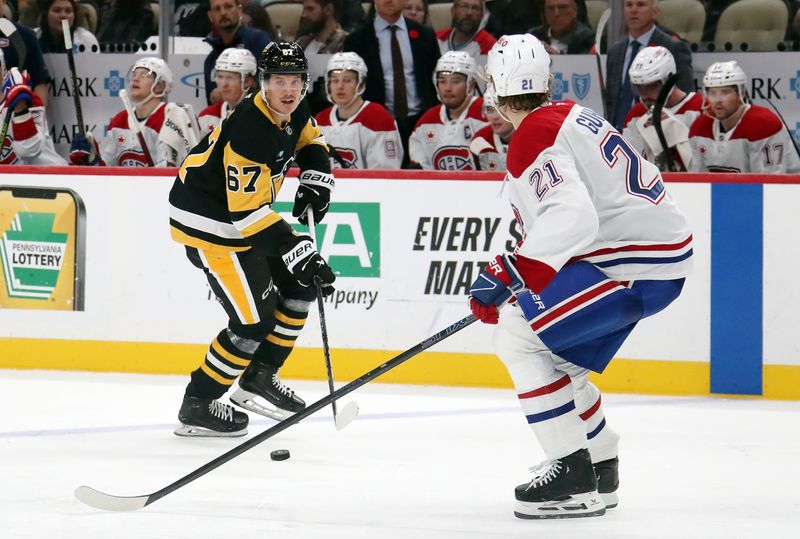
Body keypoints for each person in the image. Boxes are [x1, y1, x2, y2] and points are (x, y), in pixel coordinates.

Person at [470, 34, 692, 519]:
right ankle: (601, 461)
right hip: (651, 260)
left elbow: (573, 217)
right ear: (547, 80)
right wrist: (515, 276)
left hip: (634, 267)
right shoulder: (569, 115)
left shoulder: (532, 132)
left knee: (518, 338)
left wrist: (512, 270)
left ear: (493, 84)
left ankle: (572, 475)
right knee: (552, 348)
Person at [168, 42, 336, 436]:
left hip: (245, 218)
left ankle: (259, 377)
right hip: (212, 226)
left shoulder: (294, 108)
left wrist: (316, 177)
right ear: (263, 83)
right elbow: (245, 215)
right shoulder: (249, 130)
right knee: (251, 323)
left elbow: (311, 141)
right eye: (279, 81)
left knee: (299, 283)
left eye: (295, 81)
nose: (288, 90)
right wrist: (297, 249)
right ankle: (198, 402)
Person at [343, 0, 440, 163]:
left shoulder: (424, 34)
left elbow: (435, 82)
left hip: (420, 122)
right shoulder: (357, 40)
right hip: (376, 125)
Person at [69, 57, 199, 167]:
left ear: (160, 86)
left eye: (144, 75)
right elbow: (108, 170)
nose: (135, 79)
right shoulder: (119, 120)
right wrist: (92, 160)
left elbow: (167, 172)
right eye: (134, 75)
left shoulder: (171, 115)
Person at [688, 61, 800, 174]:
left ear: (741, 93)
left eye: (725, 92)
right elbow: (698, 182)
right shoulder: (699, 128)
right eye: (712, 93)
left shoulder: (765, 125)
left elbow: (770, 184)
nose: (718, 100)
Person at [605, 0, 693, 130]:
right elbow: (612, 99)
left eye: (640, 4)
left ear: (655, 12)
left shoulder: (673, 47)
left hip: (658, 131)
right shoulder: (615, 51)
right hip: (619, 133)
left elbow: (684, 97)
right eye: (629, 5)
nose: (633, 10)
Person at [315, 52, 403, 169]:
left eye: (347, 80)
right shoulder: (319, 121)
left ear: (360, 84)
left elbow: (384, 176)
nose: (340, 86)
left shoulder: (378, 118)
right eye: (335, 80)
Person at [621, 46, 702, 171]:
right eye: (639, 87)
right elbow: (626, 164)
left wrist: (676, 134)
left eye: (651, 86)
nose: (644, 95)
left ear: (669, 80)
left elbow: (702, 165)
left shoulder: (699, 108)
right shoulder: (636, 114)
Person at [408, 50, 487, 170]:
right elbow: (423, 172)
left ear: (471, 85)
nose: (448, 88)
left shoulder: (487, 115)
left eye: (456, 81)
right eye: (442, 81)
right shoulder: (425, 122)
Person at [0, 49, 65, 165]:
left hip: (50, 179)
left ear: (3, 70)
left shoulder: (27, 99)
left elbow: (29, 150)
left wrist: (20, 106)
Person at [204, 0, 273, 104]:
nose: (223, 12)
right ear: (210, 16)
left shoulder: (259, 41)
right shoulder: (210, 60)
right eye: (217, 9)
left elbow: (276, 86)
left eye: (228, 6)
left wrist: (237, 91)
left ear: (239, 10)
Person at [0, 0, 51, 104]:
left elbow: (39, 83)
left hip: (14, 111)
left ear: (3, 2)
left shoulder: (24, 36)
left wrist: (36, 115)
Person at [198, 47, 257, 134]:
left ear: (247, 81)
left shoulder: (262, 116)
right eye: (220, 77)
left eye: (230, 78)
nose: (224, 84)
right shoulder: (207, 115)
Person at [435, 0, 496, 73]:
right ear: (453, 11)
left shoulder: (489, 46)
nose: (469, 13)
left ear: (481, 16)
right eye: (464, 6)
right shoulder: (436, 38)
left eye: (475, 8)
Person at [469, 88, 513, 171]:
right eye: (489, 110)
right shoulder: (479, 142)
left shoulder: (530, 138)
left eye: (501, 110)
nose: (494, 117)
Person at [529, 0, 593, 55]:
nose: (556, 13)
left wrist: (558, 58)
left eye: (562, 8)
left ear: (575, 10)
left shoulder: (589, 39)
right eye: (550, 8)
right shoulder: (533, 36)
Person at [34, 0, 99, 53]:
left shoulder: (86, 39)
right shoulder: (33, 36)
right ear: (46, 14)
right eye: (57, 10)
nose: (63, 15)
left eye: (68, 11)